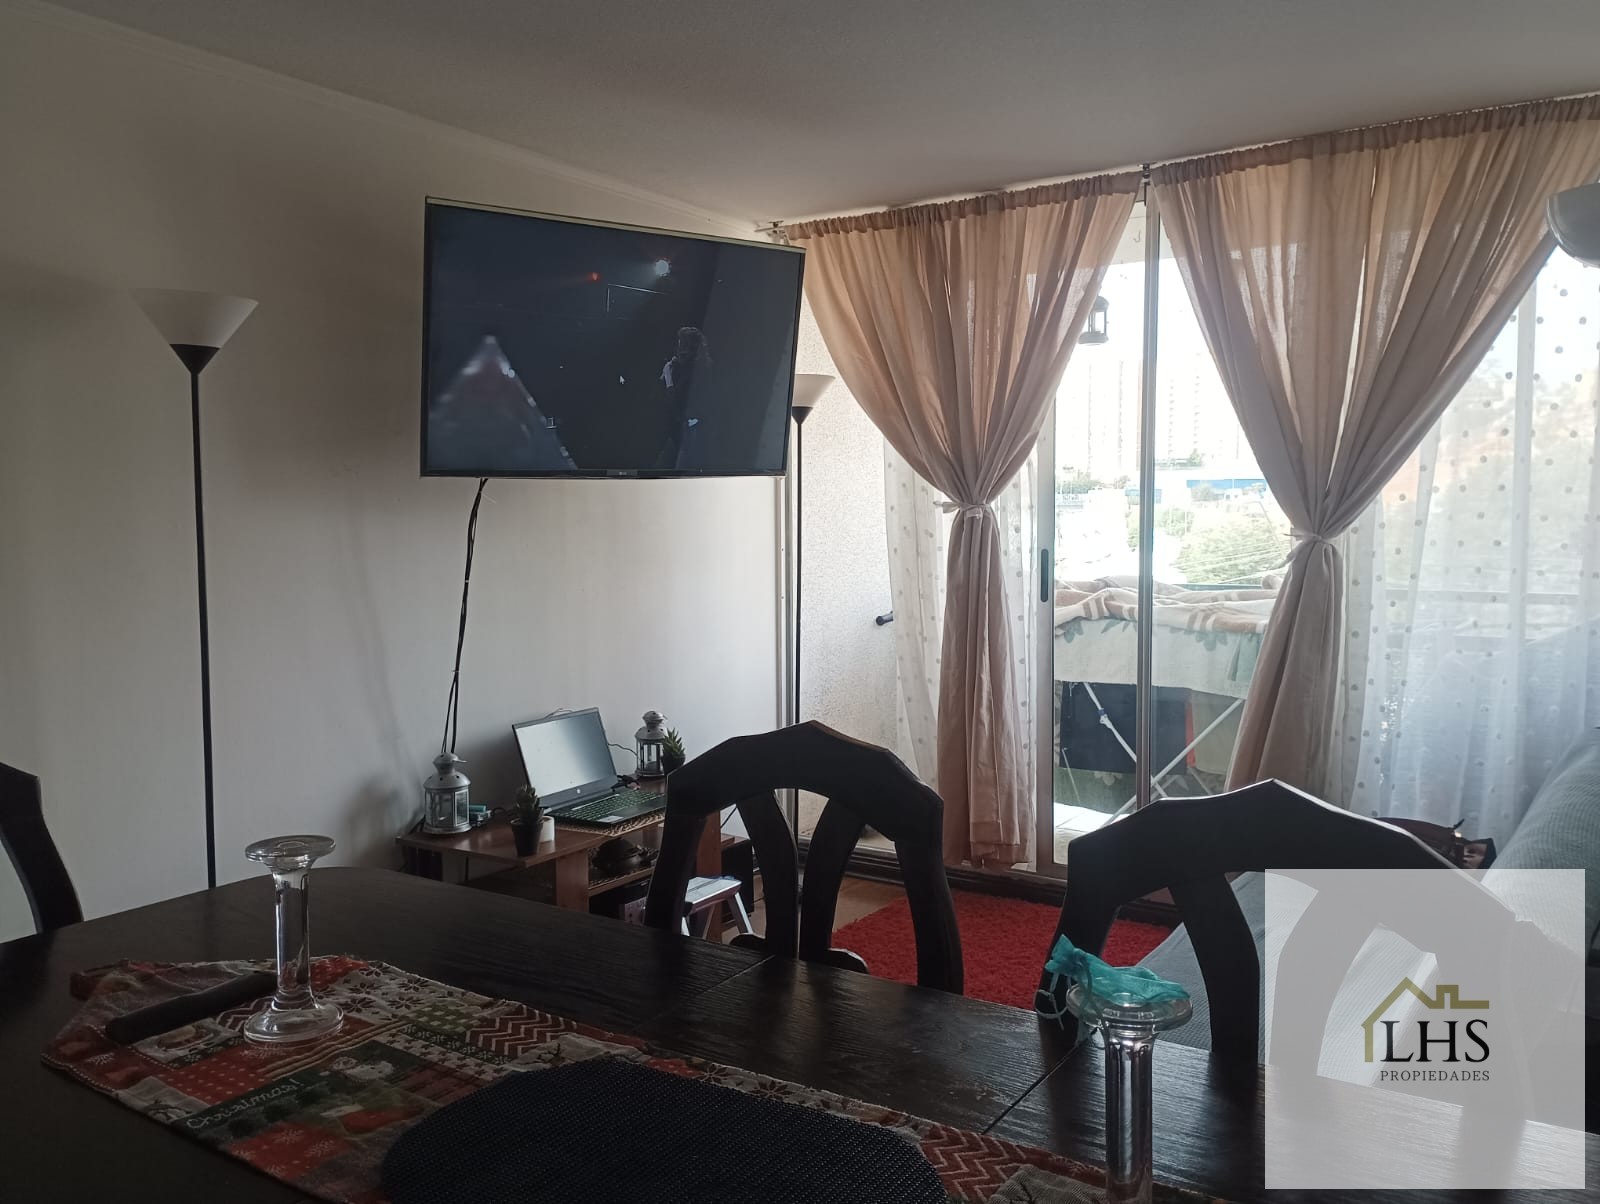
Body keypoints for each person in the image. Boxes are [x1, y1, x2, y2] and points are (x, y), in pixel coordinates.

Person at [658, 326, 711, 470]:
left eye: (681, 345)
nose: (677, 349)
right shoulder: (681, 368)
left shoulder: (695, 371)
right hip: (678, 430)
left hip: (689, 431)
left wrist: (668, 376)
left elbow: (674, 400)